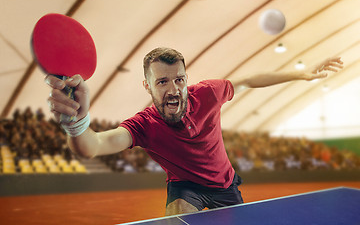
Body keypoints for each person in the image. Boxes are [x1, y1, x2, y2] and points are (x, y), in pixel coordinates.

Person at [45, 47, 343, 215]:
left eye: (179, 80)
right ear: (147, 86)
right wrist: (77, 122)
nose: (174, 89)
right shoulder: (145, 125)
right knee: (178, 217)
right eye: (162, 82)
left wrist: (301, 74)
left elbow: (250, 80)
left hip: (226, 187)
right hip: (185, 186)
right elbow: (93, 145)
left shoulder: (209, 94)